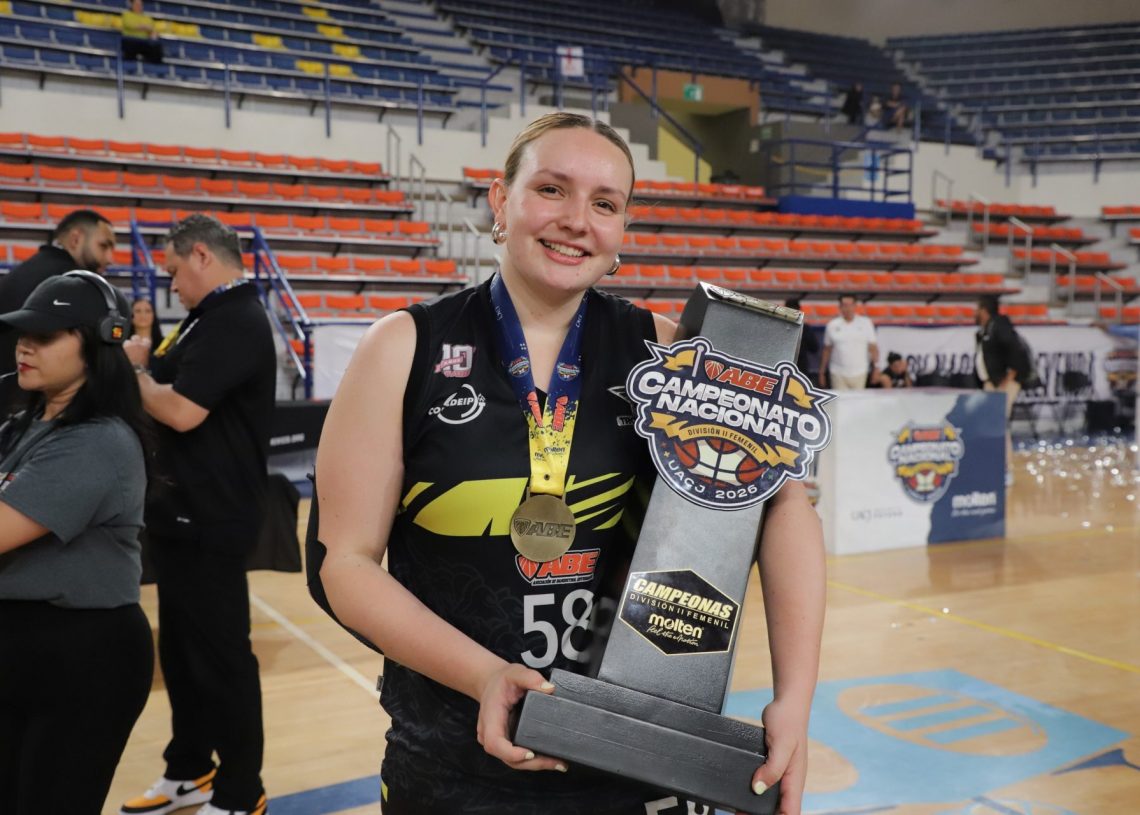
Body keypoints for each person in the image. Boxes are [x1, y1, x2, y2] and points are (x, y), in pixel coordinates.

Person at [310, 112, 825, 815]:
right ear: (501, 201)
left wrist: (795, 698)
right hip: (453, 764)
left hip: (639, 764)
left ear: (622, 230)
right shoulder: (404, 348)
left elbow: (785, 505)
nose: (577, 221)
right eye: (552, 189)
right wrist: (486, 676)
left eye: (605, 203)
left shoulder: (670, 357)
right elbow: (345, 564)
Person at [120, 214, 274, 815]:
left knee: (222, 659)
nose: (172, 285)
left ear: (203, 256)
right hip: (179, 514)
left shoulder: (236, 319)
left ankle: (241, 790)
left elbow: (181, 410)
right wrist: (145, 371)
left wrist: (132, 371)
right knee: (183, 657)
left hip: (213, 518)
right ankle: (189, 770)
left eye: (175, 271)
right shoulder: (204, 318)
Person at [0, 271, 153, 815]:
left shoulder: (99, 441)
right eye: (23, 334)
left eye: (45, 336)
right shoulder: (26, 425)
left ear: (99, 343)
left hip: (81, 658)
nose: (25, 346)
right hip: (26, 647)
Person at [0, 209, 116, 411]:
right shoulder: (70, 283)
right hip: (31, 405)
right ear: (75, 239)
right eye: (103, 246)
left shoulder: (25, 270)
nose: (110, 258)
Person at [974, 295, 1029, 485]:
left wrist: (1009, 376)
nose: (975, 312)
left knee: (998, 423)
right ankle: (993, 464)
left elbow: (1017, 351)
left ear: (984, 310)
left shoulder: (1000, 326)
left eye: (977, 309)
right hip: (991, 383)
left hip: (1003, 384)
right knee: (990, 424)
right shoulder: (986, 329)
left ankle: (1005, 469)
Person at [819, 294, 878, 390]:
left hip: (860, 372)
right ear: (840, 307)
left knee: (858, 399)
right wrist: (821, 372)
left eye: (850, 305)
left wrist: (876, 368)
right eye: (845, 305)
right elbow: (827, 350)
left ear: (855, 306)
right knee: (840, 399)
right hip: (837, 373)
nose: (848, 308)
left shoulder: (866, 323)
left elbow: (873, 348)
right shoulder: (832, 325)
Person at [786, 297, 821, 383]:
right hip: (785, 367)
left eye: (794, 310)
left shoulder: (805, 329)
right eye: (791, 310)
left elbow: (814, 348)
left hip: (800, 369)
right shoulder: (780, 328)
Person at [120, 0, 164, 64]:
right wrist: (144, 27)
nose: (138, 6)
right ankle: (129, 66)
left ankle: (152, 67)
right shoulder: (127, 15)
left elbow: (153, 30)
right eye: (136, 4)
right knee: (129, 48)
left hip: (144, 42)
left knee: (156, 47)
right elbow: (129, 25)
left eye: (140, 5)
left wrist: (152, 33)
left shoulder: (147, 18)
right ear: (132, 5)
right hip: (130, 41)